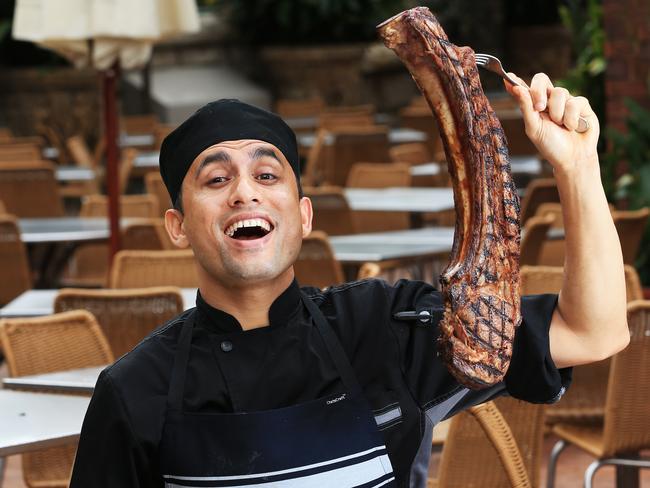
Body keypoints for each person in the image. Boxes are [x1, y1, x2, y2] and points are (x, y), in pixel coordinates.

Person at [70, 73, 629, 488]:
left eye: (268, 174)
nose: (245, 191)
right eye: (216, 179)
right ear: (178, 226)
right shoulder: (134, 392)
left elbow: (592, 331)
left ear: (304, 215)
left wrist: (578, 168)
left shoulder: (387, 330)